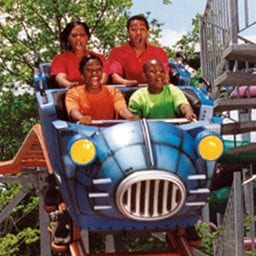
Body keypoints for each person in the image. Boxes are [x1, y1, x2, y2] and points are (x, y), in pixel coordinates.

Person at [65, 54, 138, 125]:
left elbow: (121, 108)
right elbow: (73, 111)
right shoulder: (73, 93)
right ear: (82, 73)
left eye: (98, 69)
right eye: (88, 70)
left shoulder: (113, 91)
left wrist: (130, 116)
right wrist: (81, 118)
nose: (94, 73)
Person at [108, 14, 169, 86]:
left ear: (147, 32)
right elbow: (115, 76)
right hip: (128, 92)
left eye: (142, 29)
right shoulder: (117, 52)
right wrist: (125, 82)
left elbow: (165, 77)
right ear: (128, 32)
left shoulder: (158, 52)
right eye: (133, 30)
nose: (138, 33)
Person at [128, 59, 197, 121]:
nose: (159, 74)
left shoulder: (173, 90)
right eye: (154, 72)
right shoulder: (137, 97)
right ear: (145, 76)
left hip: (172, 131)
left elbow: (183, 104)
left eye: (161, 71)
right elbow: (134, 121)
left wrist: (188, 112)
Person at [50, 21, 109, 88]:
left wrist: (93, 88)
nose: (78, 38)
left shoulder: (99, 58)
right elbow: (60, 78)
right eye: (74, 35)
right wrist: (70, 85)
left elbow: (104, 78)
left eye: (82, 35)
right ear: (68, 38)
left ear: (87, 37)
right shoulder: (59, 59)